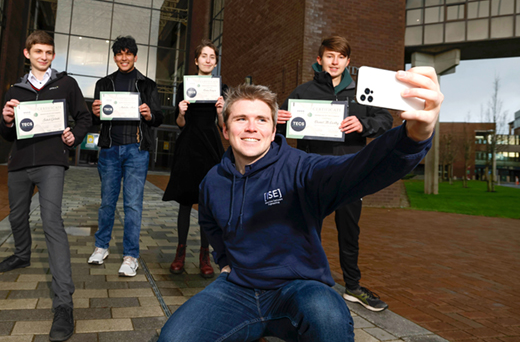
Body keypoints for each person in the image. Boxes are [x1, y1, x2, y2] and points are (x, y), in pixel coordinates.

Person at [159, 68, 443, 342]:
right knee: (174, 337)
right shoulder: (212, 181)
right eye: (240, 119)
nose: (251, 127)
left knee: (329, 317)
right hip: (238, 290)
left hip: (297, 289)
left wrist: (413, 137)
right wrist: (224, 261)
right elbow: (209, 222)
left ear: (273, 131)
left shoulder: (302, 169)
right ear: (225, 129)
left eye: (261, 120)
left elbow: (359, 169)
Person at [277, 35, 393, 311]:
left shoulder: (361, 93)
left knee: (349, 231)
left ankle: (352, 286)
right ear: (320, 60)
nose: (335, 61)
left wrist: (363, 124)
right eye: (330, 56)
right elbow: (277, 124)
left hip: (350, 173)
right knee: (305, 227)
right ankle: (301, 280)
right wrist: (276, 119)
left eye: (340, 57)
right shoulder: (303, 92)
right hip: (312, 173)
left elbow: (386, 119)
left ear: (348, 62)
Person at [0, 30, 91, 342]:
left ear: (53, 55)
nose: (44, 56)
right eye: (38, 51)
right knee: (16, 217)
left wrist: (74, 136)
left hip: (51, 163)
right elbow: (7, 134)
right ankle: (22, 253)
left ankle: (64, 305)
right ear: (27, 53)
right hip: (19, 164)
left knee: (52, 224)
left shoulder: (66, 84)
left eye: (48, 52)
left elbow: (84, 117)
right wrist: (7, 120)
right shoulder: (15, 89)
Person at [88, 36, 163, 277]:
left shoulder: (148, 85)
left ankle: (131, 256)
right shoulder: (104, 83)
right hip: (110, 149)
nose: (124, 57)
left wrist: (150, 115)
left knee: (132, 205)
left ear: (135, 56)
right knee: (107, 203)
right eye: (119, 54)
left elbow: (159, 118)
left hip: (136, 150)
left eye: (128, 53)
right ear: (114, 57)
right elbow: (97, 119)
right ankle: (101, 247)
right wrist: (94, 113)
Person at [162, 40, 226, 278]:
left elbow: (222, 127)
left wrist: (220, 112)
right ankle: (179, 253)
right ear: (196, 60)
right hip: (189, 145)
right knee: (185, 202)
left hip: (210, 147)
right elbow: (180, 124)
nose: (208, 60)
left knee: (207, 204)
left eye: (212, 57)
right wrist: (180, 112)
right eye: (204, 56)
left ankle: (204, 255)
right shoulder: (184, 86)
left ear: (215, 62)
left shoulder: (221, 87)